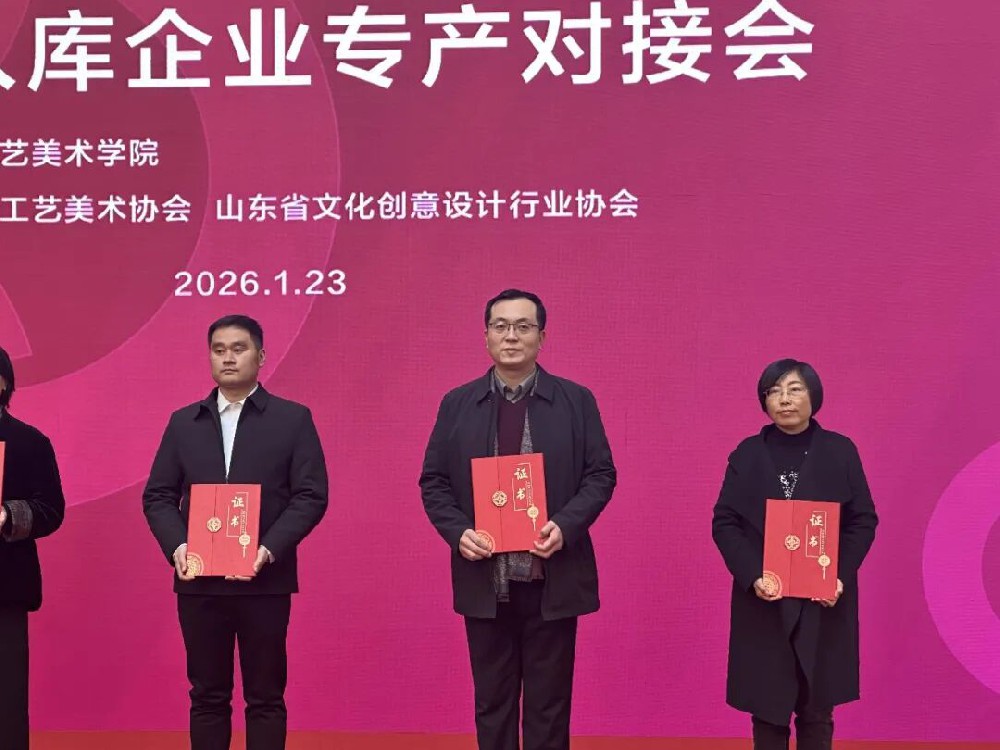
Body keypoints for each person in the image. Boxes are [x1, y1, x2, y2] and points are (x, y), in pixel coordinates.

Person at [420, 289, 616, 750]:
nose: (511, 336)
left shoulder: (576, 400)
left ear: (541, 337)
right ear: (486, 336)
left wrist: (566, 526)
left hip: (552, 578)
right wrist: (458, 533)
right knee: (492, 704)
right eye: (501, 326)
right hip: (485, 578)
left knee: (549, 707)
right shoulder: (457, 403)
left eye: (523, 327)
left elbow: (600, 474)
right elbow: (434, 481)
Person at [143, 315, 328, 750]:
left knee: (265, 698)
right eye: (219, 349)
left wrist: (268, 549)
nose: (228, 357)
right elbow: (158, 495)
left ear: (261, 356)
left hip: (264, 580)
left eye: (239, 348)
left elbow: (311, 495)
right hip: (199, 583)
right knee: (207, 697)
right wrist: (178, 546)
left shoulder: (292, 419)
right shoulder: (183, 423)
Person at [712, 359, 878, 750]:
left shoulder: (840, 451)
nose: (784, 400)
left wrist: (838, 576)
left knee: (817, 710)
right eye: (774, 392)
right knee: (767, 710)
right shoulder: (747, 454)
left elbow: (862, 521)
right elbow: (725, 522)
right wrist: (753, 576)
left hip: (822, 600)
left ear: (814, 395)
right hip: (765, 599)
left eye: (794, 389)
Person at [0, 345, 66, 750]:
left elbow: (52, 510)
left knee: (5, 702)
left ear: (3, 382)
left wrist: (8, 515)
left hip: (5, 589)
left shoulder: (29, 442)